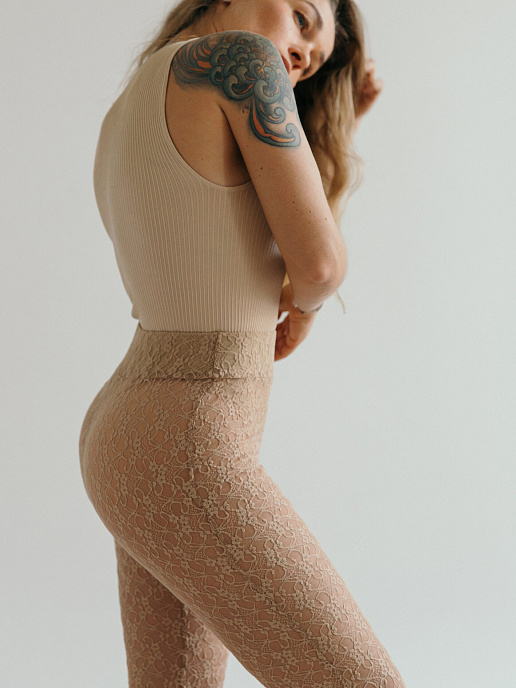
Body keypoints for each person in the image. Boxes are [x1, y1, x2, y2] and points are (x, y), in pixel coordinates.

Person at [79, 0, 406, 686]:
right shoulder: (241, 61)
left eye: (313, 61)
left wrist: (340, 124)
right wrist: (307, 306)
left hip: (135, 433)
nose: (301, 55)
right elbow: (318, 263)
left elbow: (244, 222)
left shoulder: (130, 104)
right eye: (302, 18)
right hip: (186, 444)